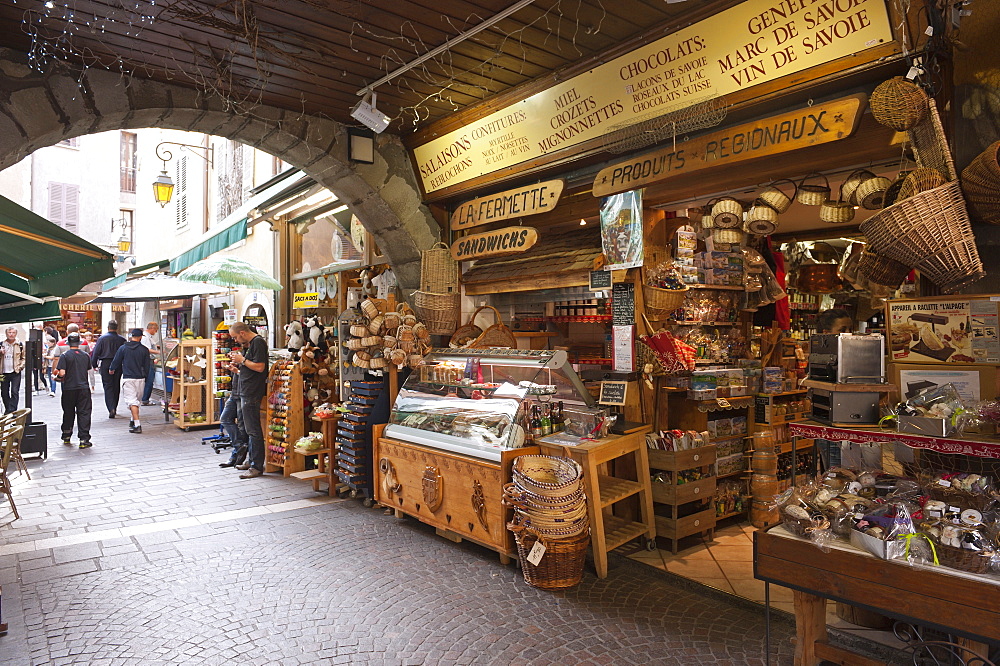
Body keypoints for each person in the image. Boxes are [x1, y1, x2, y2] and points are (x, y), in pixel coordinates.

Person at [228, 322, 269, 479]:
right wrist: (238, 367)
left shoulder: (258, 342)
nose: (236, 340)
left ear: (243, 333)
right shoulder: (251, 344)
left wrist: (242, 360)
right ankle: (251, 461)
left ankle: (256, 466)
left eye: (235, 337)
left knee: (253, 429)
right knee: (247, 428)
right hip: (246, 391)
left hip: (252, 392)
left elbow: (259, 367)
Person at [109, 328, 152, 434]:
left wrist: (111, 369)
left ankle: (137, 424)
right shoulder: (144, 350)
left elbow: (116, 360)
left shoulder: (123, 348)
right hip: (140, 378)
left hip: (128, 378)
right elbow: (147, 366)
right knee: (137, 401)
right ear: (141, 337)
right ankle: (133, 421)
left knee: (132, 402)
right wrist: (146, 376)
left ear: (131, 336)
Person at [56, 333, 93, 448]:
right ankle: (84, 439)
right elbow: (88, 369)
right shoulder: (85, 355)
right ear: (79, 343)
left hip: (69, 388)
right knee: (84, 412)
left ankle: (66, 435)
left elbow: (62, 373)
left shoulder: (65, 355)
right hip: (83, 388)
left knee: (68, 411)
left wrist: (57, 377)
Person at [91, 321, 126, 418]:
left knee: (107, 386)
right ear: (117, 328)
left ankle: (111, 408)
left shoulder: (102, 339)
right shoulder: (122, 339)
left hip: (106, 363)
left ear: (108, 327)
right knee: (116, 385)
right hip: (118, 364)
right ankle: (114, 405)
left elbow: (96, 352)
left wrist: (94, 364)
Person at [217, 363, 248, 468]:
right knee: (225, 419)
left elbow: (250, 375)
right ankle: (239, 448)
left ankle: (235, 456)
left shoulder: (250, 354)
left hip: (243, 394)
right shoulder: (242, 354)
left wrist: (237, 371)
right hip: (235, 393)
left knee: (241, 426)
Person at [0, 327, 25, 414]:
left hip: (15, 371)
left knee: (15, 391)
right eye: (9, 332)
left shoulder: (20, 345)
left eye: (13, 332)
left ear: (16, 334)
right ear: (6, 333)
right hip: (3, 372)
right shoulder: (1, 344)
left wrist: (20, 367)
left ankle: (12, 410)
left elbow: (24, 358)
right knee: (4, 392)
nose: (11, 334)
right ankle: (8, 409)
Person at [140, 322, 160, 405]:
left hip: (150, 360)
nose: (155, 332)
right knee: (149, 380)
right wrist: (159, 352)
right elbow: (147, 349)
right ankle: (145, 399)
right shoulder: (145, 337)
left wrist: (157, 347)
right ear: (152, 328)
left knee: (149, 380)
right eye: (155, 330)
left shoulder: (149, 337)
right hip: (147, 361)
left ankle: (145, 398)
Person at [43, 326, 58, 396]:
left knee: (53, 377)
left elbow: (52, 357)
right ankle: (52, 389)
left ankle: (53, 390)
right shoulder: (49, 349)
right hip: (48, 365)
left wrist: (45, 356)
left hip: (53, 365)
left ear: (52, 343)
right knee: (49, 378)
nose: (48, 344)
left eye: (49, 343)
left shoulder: (55, 349)